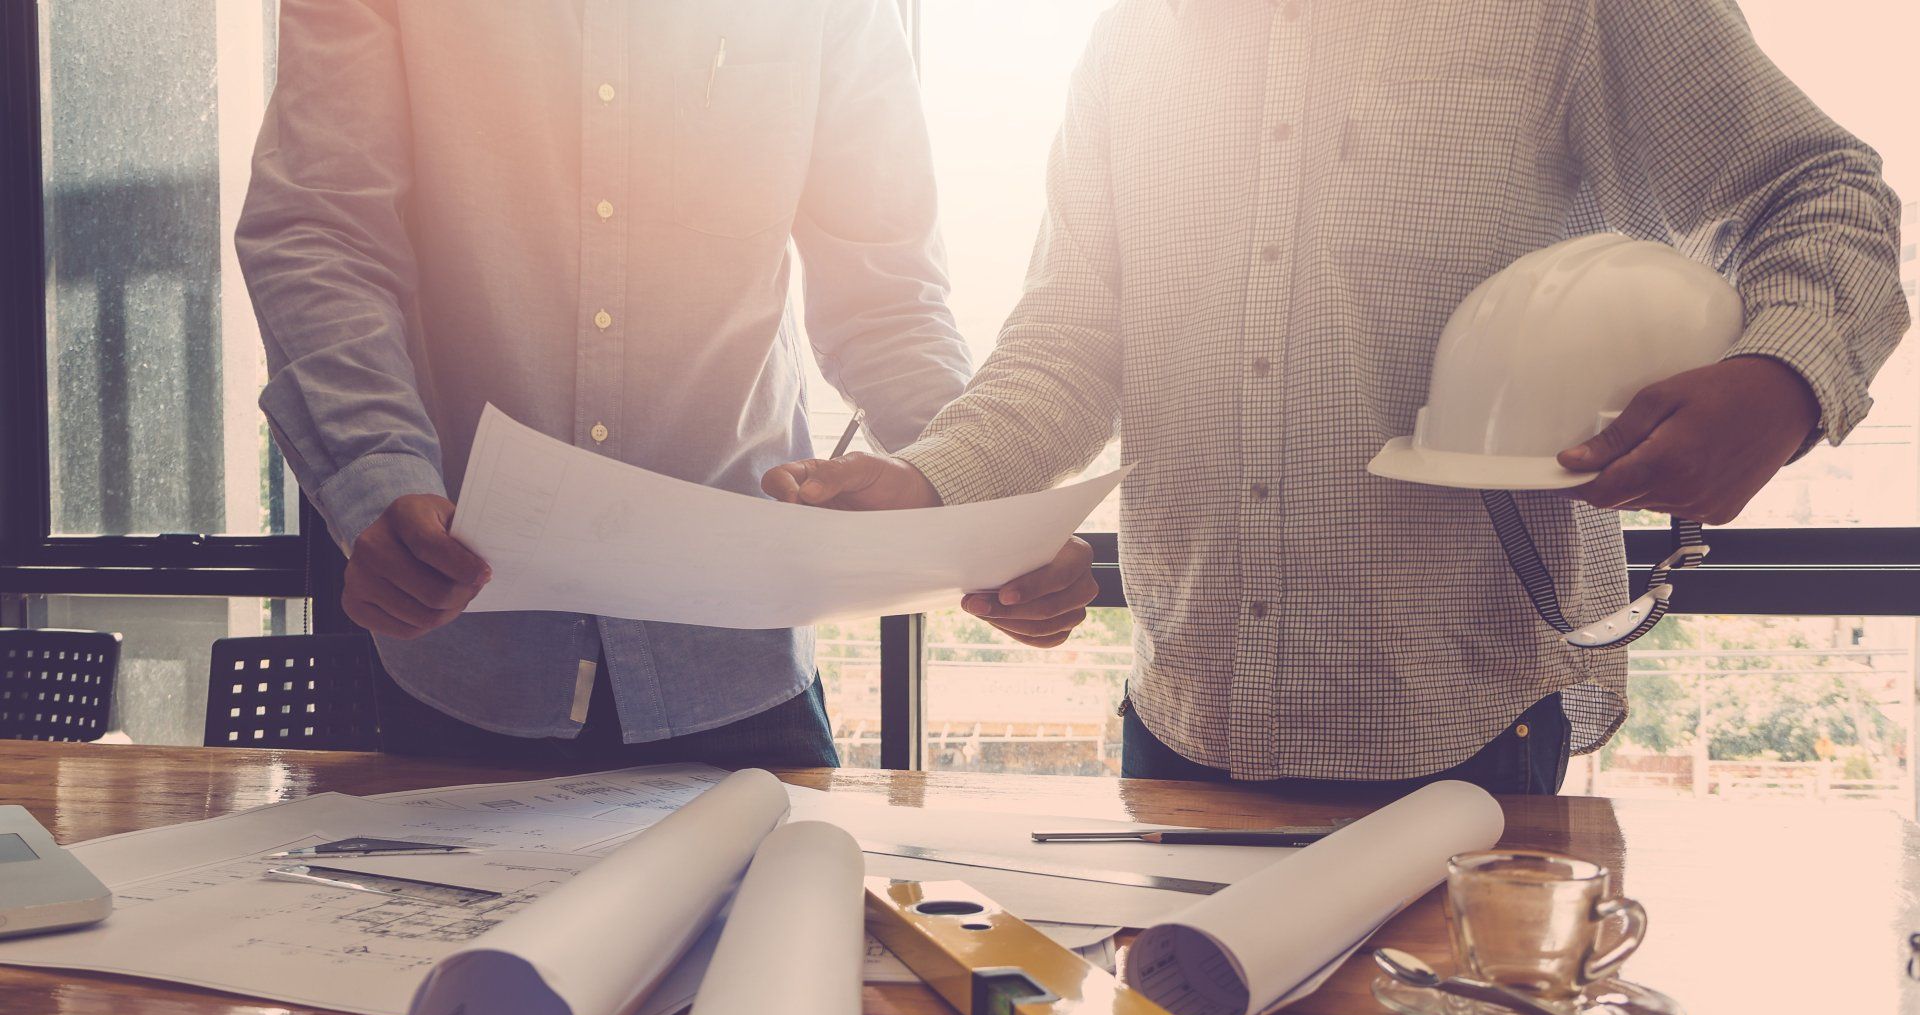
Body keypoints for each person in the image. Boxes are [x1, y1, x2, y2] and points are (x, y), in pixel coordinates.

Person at [767, 0, 1909, 794]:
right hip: (1181, 724)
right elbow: (1071, 343)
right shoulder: (1124, 48)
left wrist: (1783, 381)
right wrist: (931, 484)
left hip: (1470, 726)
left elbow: (1815, 187)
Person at [237, 0, 969, 768]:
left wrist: (978, 489)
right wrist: (375, 476)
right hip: (462, 657)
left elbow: (887, 298)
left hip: (739, 658)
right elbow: (320, 234)